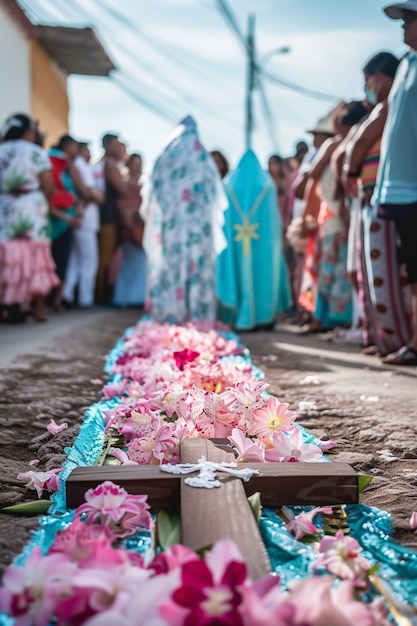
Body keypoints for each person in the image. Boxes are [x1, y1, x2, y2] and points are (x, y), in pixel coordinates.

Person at [342, 52, 408, 355]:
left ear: (384, 77)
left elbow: (358, 145)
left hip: (387, 197)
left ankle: (396, 338)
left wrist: (350, 171)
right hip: (376, 197)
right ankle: (386, 337)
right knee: (380, 272)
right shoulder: (387, 105)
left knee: (395, 272)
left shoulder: (389, 103)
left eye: (370, 78)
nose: (367, 85)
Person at [143, 115, 227, 323]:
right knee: (196, 265)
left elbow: (153, 188)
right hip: (198, 227)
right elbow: (214, 195)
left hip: (172, 225)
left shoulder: (166, 157)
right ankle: (197, 312)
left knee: (172, 264)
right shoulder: (203, 159)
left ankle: (171, 311)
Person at [371, 0, 417, 365]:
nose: (403, 27)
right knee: (410, 266)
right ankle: (414, 338)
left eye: (410, 19)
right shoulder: (406, 65)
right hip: (401, 185)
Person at [300, 100, 369, 334]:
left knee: (337, 272)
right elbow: (313, 179)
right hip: (331, 219)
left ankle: (337, 319)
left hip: (340, 218)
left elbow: (315, 176)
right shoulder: (337, 147)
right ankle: (326, 317)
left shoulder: (338, 146)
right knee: (328, 271)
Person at [216, 149, 291, 330]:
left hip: (236, 238)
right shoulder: (266, 185)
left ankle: (239, 313)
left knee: (239, 270)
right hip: (261, 241)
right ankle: (263, 316)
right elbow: (273, 222)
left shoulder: (229, 186)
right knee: (263, 272)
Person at [0, 113, 58, 323]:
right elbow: (49, 187)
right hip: (32, 207)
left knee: (7, 258)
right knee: (36, 257)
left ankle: (10, 304)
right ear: (28, 132)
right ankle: (38, 307)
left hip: (5, 208)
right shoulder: (36, 153)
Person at [96, 133, 137, 304]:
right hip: (108, 218)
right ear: (107, 145)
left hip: (107, 217)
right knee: (105, 259)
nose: (119, 147)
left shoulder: (104, 165)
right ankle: (100, 294)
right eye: (116, 144)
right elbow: (124, 191)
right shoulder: (110, 165)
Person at [62, 142, 104, 308]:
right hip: (83, 219)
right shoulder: (78, 166)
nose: (89, 153)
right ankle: (85, 299)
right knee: (88, 260)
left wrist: (94, 194)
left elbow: (97, 195)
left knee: (76, 260)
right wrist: (93, 195)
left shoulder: (82, 167)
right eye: (87, 149)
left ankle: (68, 294)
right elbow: (87, 193)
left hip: (84, 219)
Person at [112, 153, 146, 308]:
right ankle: (125, 298)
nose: (137, 166)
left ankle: (134, 298)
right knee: (129, 263)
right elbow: (123, 206)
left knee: (139, 264)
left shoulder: (143, 183)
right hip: (130, 229)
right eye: (134, 163)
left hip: (140, 228)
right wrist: (130, 224)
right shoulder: (125, 183)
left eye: (139, 163)